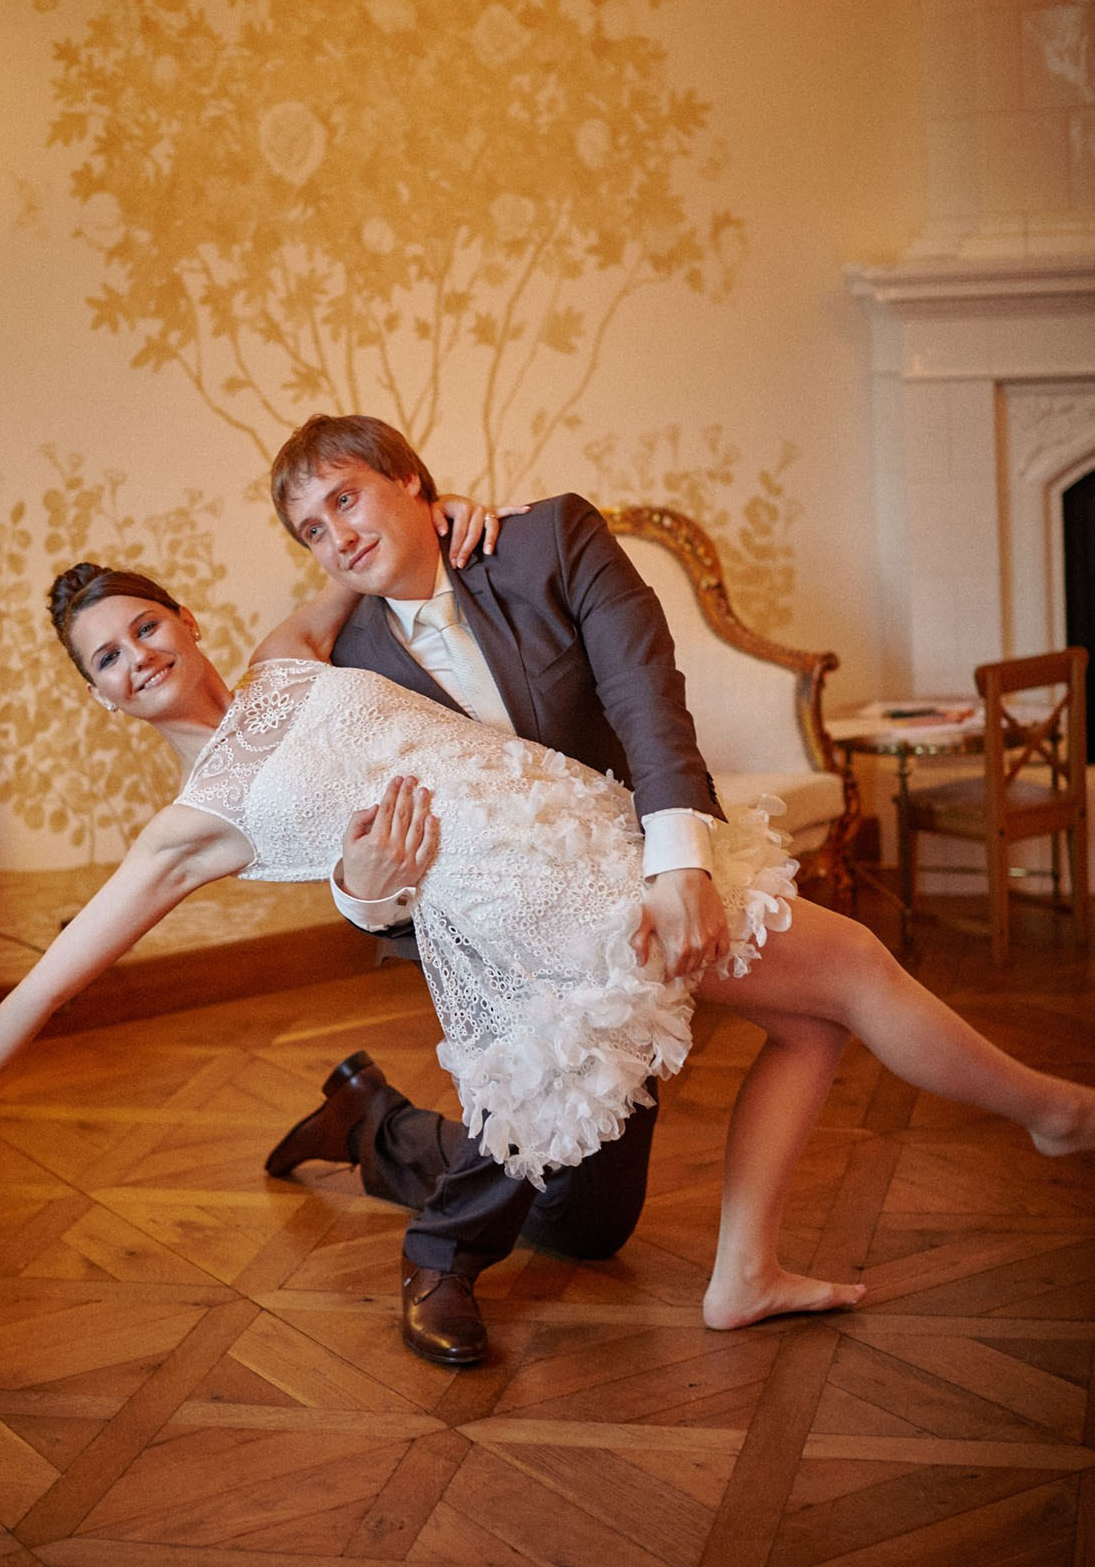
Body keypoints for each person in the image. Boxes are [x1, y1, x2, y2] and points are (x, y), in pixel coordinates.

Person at [262, 413, 1095, 1365]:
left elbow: (644, 695)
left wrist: (680, 863)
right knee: (847, 974)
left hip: (638, 856)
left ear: (411, 477)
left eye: (346, 499)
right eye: (312, 532)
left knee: (589, 1222)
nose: (336, 535)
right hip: (525, 931)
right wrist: (355, 572)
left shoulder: (544, 539)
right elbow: (288, 721)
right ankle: (1057, 1115)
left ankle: (386, 1127)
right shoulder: (353, 663)